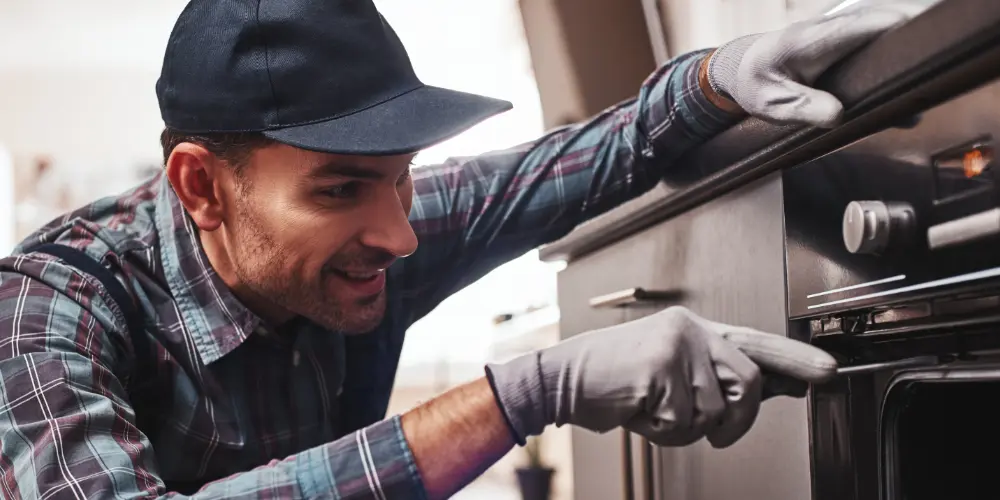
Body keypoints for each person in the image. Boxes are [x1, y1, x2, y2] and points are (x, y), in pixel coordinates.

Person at [0, 1, 920, 499]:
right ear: (202, 186)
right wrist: (527, 394)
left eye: (400, 177)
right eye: (340, 189)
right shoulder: (46, 311)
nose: (399, 233)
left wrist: (717, 79)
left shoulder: (365, 227)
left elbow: (565, 164)